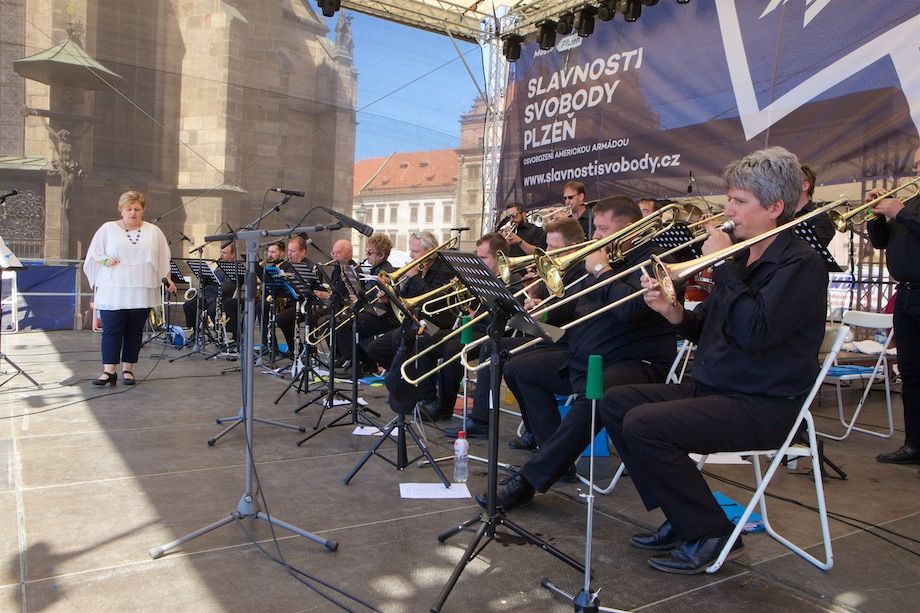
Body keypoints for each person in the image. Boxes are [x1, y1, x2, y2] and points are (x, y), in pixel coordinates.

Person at [595, 146, 827, 575]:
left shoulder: (801, 264)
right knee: (616, 402)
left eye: (739, 201)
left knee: (646, 425)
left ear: (775, 207)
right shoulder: (741, 257)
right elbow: (712, 330)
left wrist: (722, 265)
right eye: (730, 199)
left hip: (764, 401)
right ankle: (685, 517)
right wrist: (675, 314)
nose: (728, 210)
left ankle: (712, 532)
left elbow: (756, 332)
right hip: (718, 387)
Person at [477, 197, 676, 506]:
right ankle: (554, 456)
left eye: (601, 228)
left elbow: (632, 310)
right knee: (519, 368)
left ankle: (532, 478)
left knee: (594, 396)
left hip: (634, 361)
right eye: (595, 227)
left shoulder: (653, 258)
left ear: (629, 228)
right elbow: (576, 307)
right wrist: (544, 312)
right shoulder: (605, 258)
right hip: (586, 354)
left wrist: (601, 271)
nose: (595, 235)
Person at [443, 217, 586, 443]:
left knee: (509, 360)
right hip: (552, 335)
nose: (547, 252)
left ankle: (495, 424)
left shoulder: (581, 271)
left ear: (573, 246)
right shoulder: (556, 269)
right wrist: (535, 303)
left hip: (569, 339)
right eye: (547, 245)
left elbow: (571, 309)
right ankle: (528, 430)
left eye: (554, 248)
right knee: (498, 352)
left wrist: (544, 309)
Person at [83, 190, 176, 386]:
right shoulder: (108, 228)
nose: (133, 213)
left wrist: (167, 279)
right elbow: (95, 254)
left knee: (134, 331)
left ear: (143, 210)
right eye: (129, 209)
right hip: (114, 288)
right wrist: (106, 260)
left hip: (141, 288)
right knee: (111, 330)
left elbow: (162, 259)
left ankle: (128, 370)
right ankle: (109, 371)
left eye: (137, 209)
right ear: (121, 210)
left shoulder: (153, 231)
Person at [367, 231, 455, 421]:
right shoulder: (416, 269)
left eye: (415, 251)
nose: (411, 255)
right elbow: (403, 302)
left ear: (430, 251)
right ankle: (404, 384)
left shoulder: (444, 270)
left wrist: (415, 276)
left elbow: (435, 302)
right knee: (376, 348)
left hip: (438, 323)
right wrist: (388, 298)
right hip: (415, 321)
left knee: (416, 340)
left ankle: (425, 398)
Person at [868, 146, 920, 466]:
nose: (917, 169)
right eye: (915, 164)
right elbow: (881, 242)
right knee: (911, 374)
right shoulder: (911, 203)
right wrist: (878, 214)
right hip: (907, 295)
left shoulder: (907, 208)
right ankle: (914, 444)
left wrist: (900, 212)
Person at [332, 233, 398, 373]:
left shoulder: (385, 271)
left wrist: (361, 300)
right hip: (375, 312)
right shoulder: (376, 269)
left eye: (370, 252)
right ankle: (367, 364)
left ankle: (354, 366)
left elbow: (379, 301)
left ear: (381, 255)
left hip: (384, 316)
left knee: (343, 324)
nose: (366, 255)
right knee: (343, 320)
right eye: (366, 251)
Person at [183, 242, 238, 341]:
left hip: (222, 297)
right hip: (208, 295)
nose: (221, 255)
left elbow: (229, 286)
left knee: (212, 310)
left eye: (225, 253)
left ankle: (219, 333)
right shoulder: (218, 265)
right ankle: (196, 332)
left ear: (233, 254)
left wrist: (213, 284)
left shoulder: (234, 268)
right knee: (188, 305)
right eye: (221, 252)